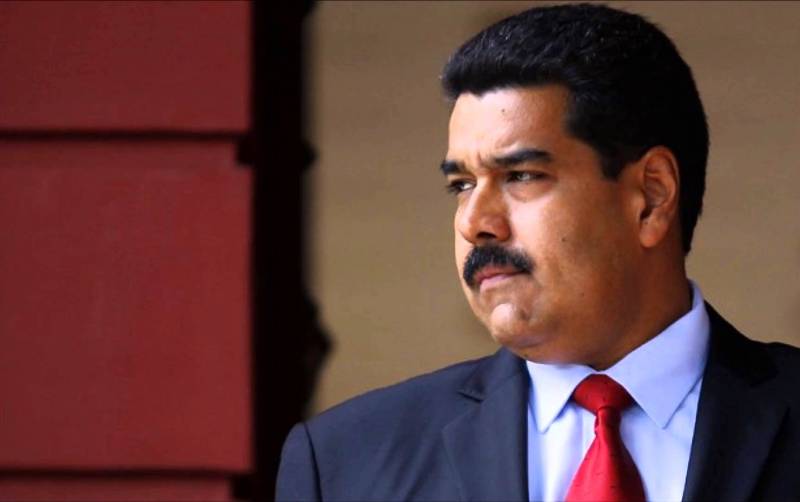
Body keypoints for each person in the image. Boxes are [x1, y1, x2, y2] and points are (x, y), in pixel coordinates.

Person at [276, 4, 800, 501]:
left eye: (521, 176)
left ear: (651, 197)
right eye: (461, 185)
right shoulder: (344, 463)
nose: (473, 223)